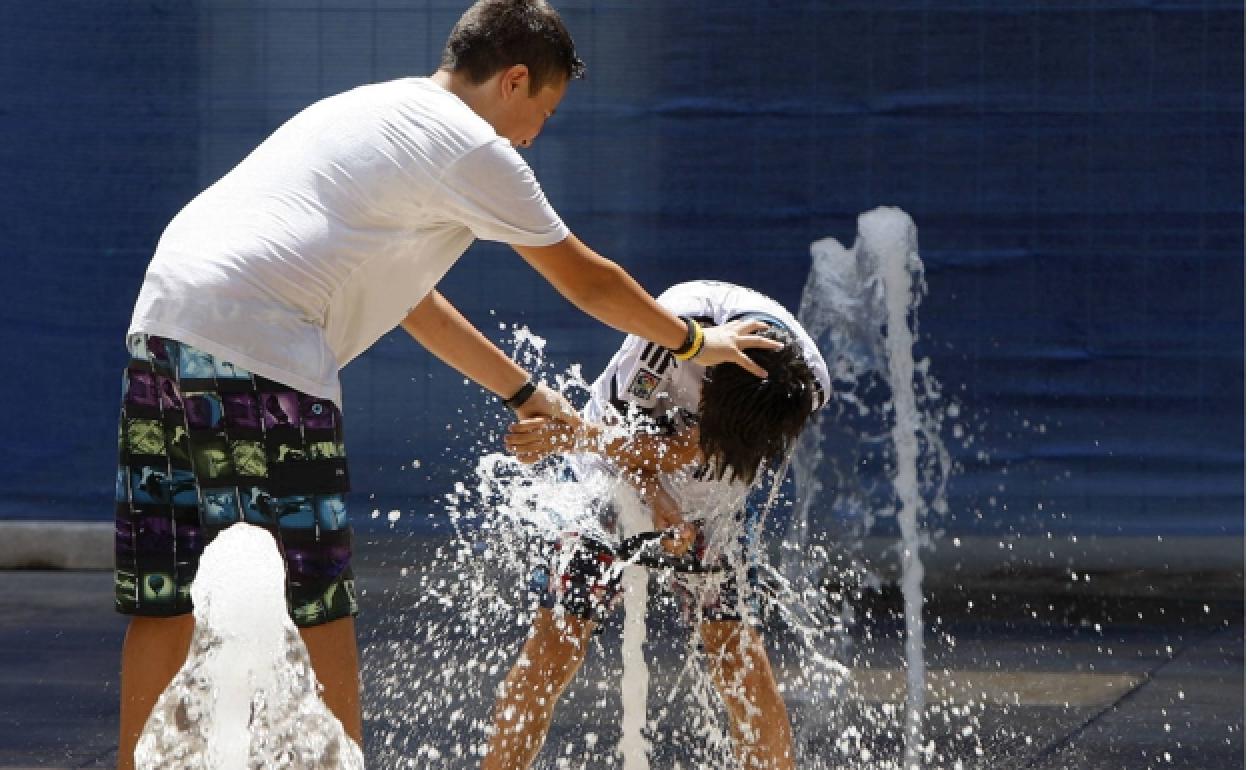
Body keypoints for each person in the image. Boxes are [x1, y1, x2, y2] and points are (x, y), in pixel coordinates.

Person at [113, 2, 781, 766]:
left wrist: (525, 394)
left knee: (165, 596)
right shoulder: (471, 145)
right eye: (544, 111)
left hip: (163, 323)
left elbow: (410, 301)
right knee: (317, 601)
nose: (535, 135)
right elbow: (587, 280)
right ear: (514, 80)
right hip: (260, 338)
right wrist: (696, 340)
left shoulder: (375, 110)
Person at [482, 280, 831, 770]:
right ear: (706, 380)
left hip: (713, 505)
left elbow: (705, 450)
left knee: (738, 660)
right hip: (607, 475)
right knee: (556, 645)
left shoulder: (806, 384)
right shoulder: (666, 333)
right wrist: (654, 494)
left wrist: (688, 495)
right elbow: (618, 436)